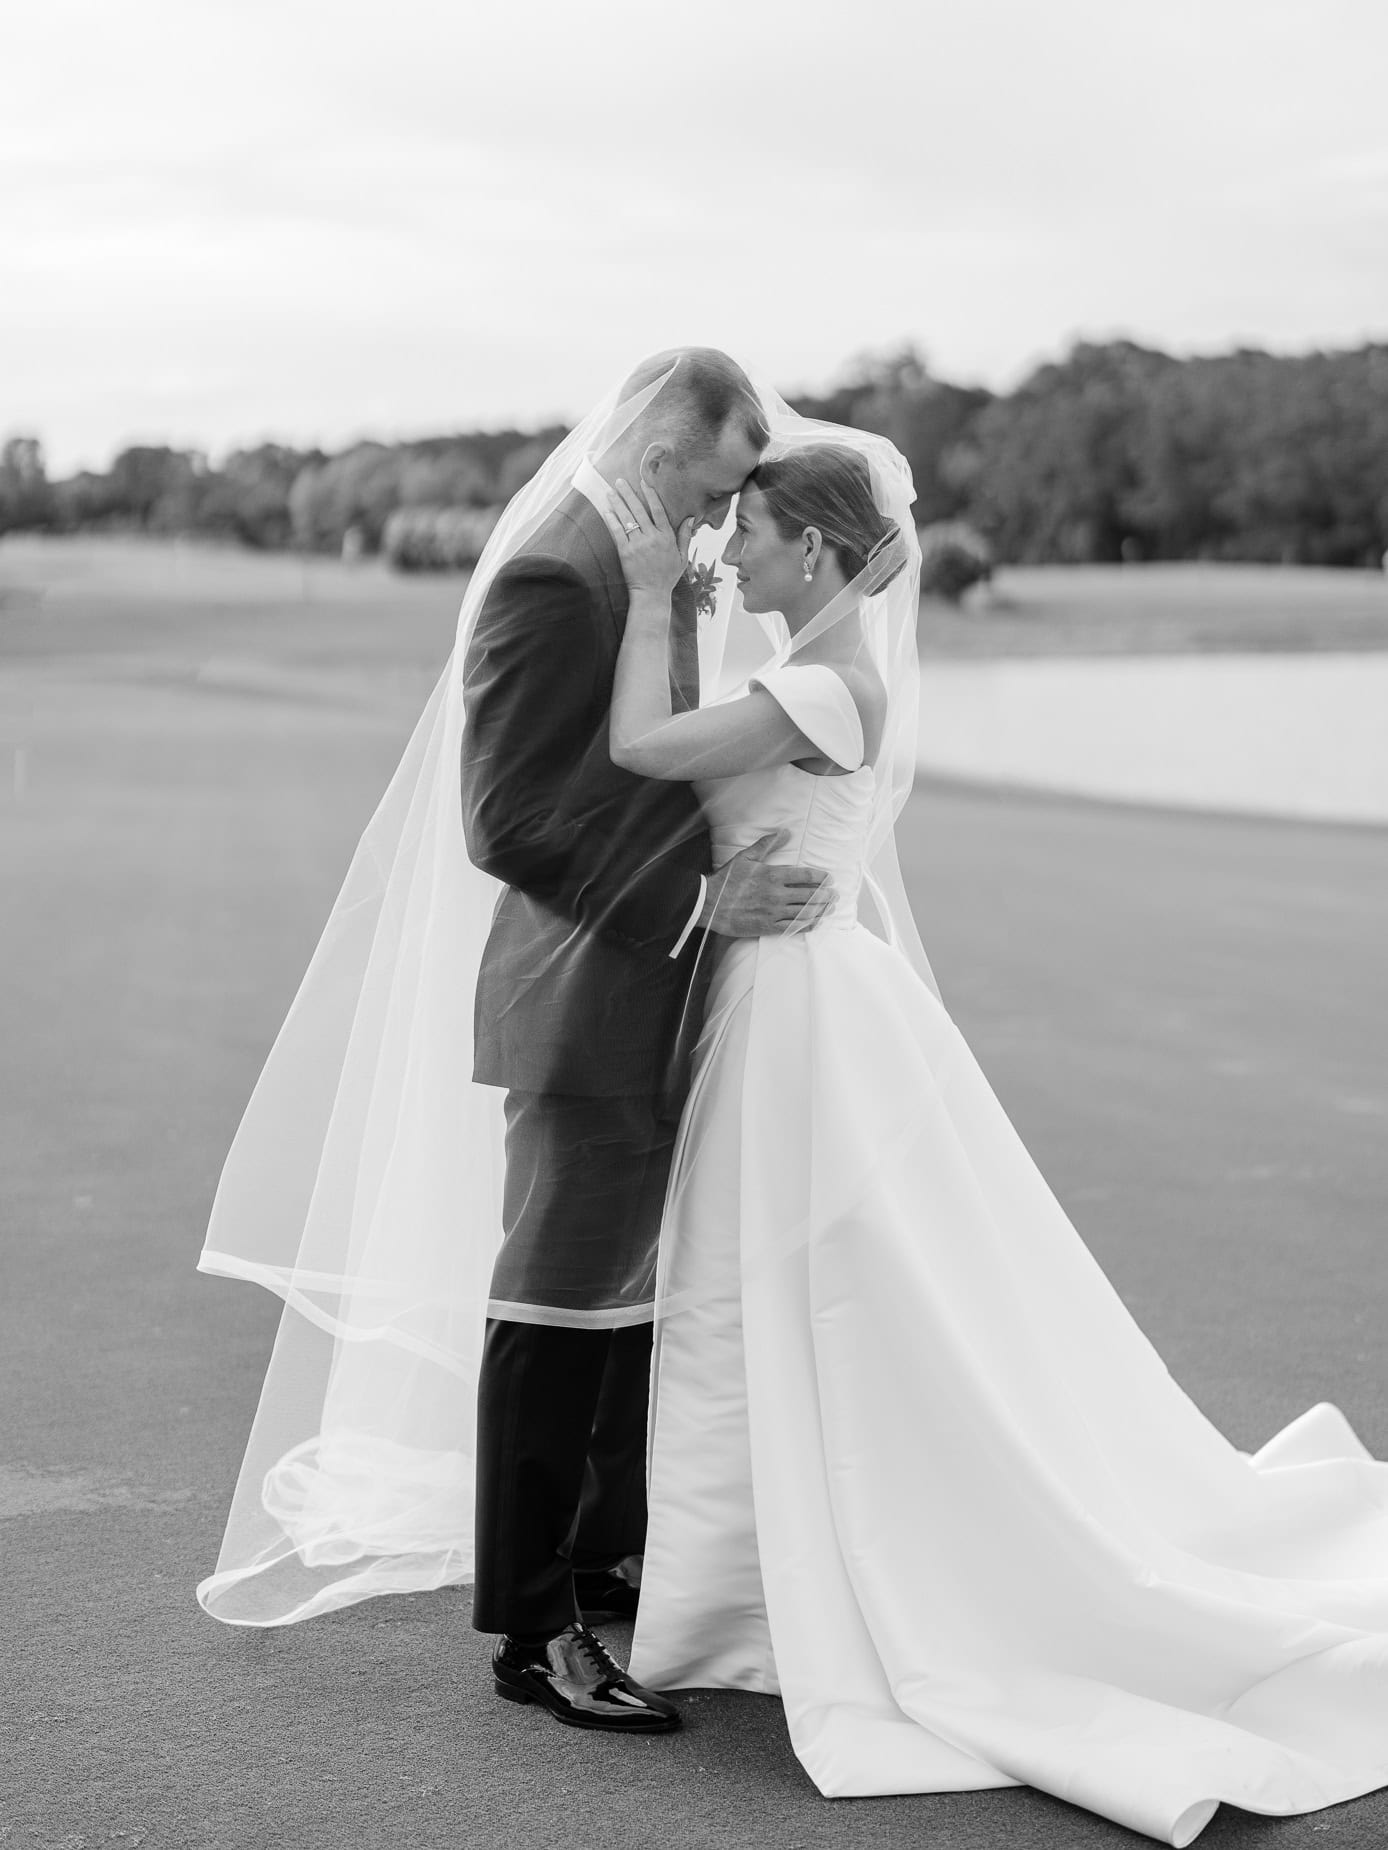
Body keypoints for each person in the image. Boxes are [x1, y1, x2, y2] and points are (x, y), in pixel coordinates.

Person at [598, 429, 1388, 1848]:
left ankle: (805, 1579)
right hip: (782, 993)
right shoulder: (809, 666)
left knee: (827, 1285)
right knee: (759, 1286)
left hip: (808, 1014)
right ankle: (743, 1580)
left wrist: (658, 590)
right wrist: (698, 617)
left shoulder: (826, 682)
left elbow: (641, 752)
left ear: (820, 553)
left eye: (757, 535)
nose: (737, 549)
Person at [193, 352, 834, 1732]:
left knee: (622, 1284)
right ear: (667, 453)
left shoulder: (640, 556)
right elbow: (507, 820)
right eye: (719, 490)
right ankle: (533, 1632)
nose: (724, 526)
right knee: (553, 1296)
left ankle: (602, 1554)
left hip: (655, 986)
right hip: (583, 987)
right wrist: (702, 896)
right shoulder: (559, 572)